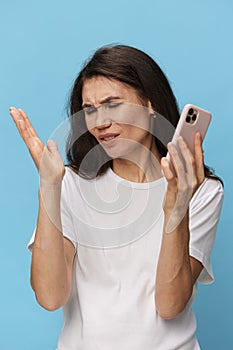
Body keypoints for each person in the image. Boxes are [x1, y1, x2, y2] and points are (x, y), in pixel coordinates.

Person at [10, 45, 224, 350]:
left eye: (112, 104)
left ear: (149, 104)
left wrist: (177, 203)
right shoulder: (70, 183)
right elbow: (49, 296)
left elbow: (170, 304)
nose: (99, 123)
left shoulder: (201, 189)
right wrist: (49, 187)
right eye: (90, 110)